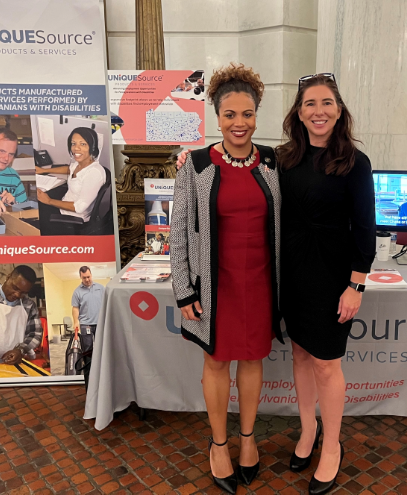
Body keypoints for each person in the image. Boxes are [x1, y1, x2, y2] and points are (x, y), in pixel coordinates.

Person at [170, 63, 283, 494]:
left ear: (257, 115)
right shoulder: (196, 164)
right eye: (230, 114)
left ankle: (249, 440)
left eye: (248, 114)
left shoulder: (272, 161)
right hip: (213, 286)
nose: (240, 123)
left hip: (259, 283)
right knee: (216, 361)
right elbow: (178, 232)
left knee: (252, 360)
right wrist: (184, 290)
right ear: (216, 116)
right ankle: (219, 445)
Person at [278, 73, 375, 494]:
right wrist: (193, 158)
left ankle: (332, 445)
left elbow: (366, 231)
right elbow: (235, 159)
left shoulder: (355, 161)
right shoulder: (282, 158)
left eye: (327, 103)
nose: (318, 111)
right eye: (310, 104)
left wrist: (356, 286)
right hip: (291, 272)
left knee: (326, 363)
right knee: (300, 353)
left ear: (339, 110)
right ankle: (307, 429)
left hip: (333, 276)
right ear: (299, 112)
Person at [36, 127, 106, 234]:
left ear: (92, 147)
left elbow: (79, 207)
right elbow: (69, 168)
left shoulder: (94, 173)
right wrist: (43, 170)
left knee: (34, 216)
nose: (76, 148)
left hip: (71, 218)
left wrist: (48, 201)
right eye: (73, 144)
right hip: (64, 205)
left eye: (82, 144)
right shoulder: (81, 164)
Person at [0, 265, 43, 365]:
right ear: (8, 277)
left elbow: (35, 334)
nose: (17, 295)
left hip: (12, 364)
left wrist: (20, 350)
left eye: (23, 293)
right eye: (15, 288)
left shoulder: (29, 305)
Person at [71, 266, 105, 354]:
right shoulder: (77, 292)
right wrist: (76, 322)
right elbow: (75, 308)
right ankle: (88, 367)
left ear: (91, 275)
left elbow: (106, 303)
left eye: (88, 277)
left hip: (100, 322)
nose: (87, 279)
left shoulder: (101, 288)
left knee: (101, 346)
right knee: (87, 348)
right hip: (85, 324)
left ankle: (100, 367)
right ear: (80, 277)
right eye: (84, 277)